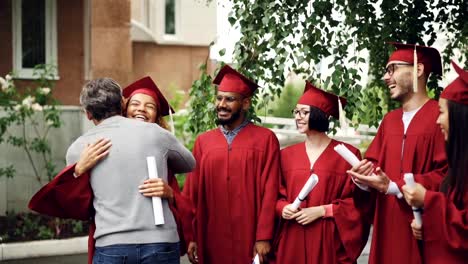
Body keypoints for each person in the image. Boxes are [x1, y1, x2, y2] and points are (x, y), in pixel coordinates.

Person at [30, 77, 195, 264]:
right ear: (123, 103)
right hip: (159, 242)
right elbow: (189, 164)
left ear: (87, 114)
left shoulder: (79, 149)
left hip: (112, 245)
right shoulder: (155, 133)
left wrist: (77, 171)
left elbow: (76, 206)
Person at [347, 42, 448, 264]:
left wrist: (396, 187)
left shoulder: (440, 118)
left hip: (423, 228)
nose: (386, 77)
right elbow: (374, 165)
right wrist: (363, 179)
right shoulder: (389, 121)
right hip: (386, 227)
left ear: (418, 70)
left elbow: (448, 175)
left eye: (392, 69)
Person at [182, 65, 280, 264]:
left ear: (245, 103)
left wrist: (264, 236)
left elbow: (271, 191)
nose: (222, 104)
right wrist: (191, 235)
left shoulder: (265, 140)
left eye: (230, 99)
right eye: (219, 98)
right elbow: (191, 192)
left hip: (250, 236)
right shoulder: (204, 142)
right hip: (211, 237)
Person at [274, 81, 369, 263]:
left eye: (305, 112)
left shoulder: (347, 155)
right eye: (296, 112)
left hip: (327, 239)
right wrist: (283, 208)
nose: (298, 117)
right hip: (291, 239)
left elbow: (357, 204)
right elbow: (275, 195)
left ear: (320, 114)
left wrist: (322, 211)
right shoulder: (285, 155)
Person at [402, 60, 468, 263]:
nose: (437, 121)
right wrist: (427, 223)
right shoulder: (460, 166)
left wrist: (428, 200)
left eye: (442, 112)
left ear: (460, 118)